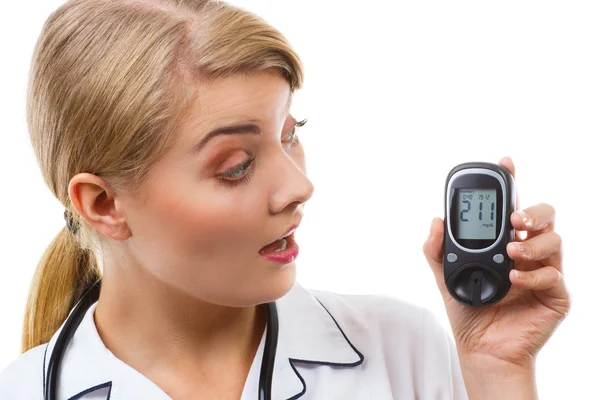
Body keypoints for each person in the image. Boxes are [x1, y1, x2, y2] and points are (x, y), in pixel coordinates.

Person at [0, 0, 570, 399]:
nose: (300, 187)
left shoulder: (406, 355)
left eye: (290, 136)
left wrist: (496, 373)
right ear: (103, 205)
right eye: (237, 166)